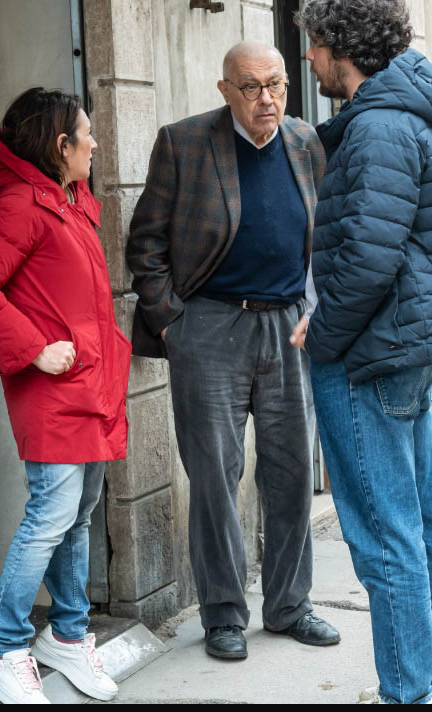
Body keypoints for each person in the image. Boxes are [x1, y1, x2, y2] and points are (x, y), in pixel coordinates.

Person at [292, 0, 432, 706]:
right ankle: (431, 677)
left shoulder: (379, 127)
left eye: (315, 43)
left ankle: (407, 694)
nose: (308, 57)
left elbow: (369, 257)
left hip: (370, 352)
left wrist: (322, 334)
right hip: (403, 346)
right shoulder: (414, 115)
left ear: (344, 49)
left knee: (383, 537)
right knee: (419, 521)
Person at [125, 41, 340, 661]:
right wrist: (171, 323)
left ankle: (289, 606)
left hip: (288, 328)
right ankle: (222, 613)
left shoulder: (307, 143)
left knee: (294, 473)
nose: (267, 98)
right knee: (216, 478)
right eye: (251, 87)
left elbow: (326, 238)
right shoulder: (185, 143)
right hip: (210, 328)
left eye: (275, 83)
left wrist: (318, 307)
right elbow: (146, 243)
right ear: (225, 91)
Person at [0, 88, 130, 704]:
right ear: (61, 146)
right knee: (51, 516)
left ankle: (68, 635)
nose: (96, 143)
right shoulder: (20, 206)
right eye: (87, 134)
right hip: (53, 387)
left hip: (89, 382)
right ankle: (1, 649)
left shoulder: (72, 199)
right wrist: (33, 348)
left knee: (77, 514)